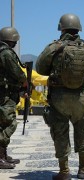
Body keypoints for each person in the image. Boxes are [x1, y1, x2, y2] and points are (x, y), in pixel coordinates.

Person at [36, 14, 84, 180]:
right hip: (81, 98)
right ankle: (83, 169)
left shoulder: (54, 47)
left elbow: (40, 68)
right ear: (78, 29)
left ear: (61, 28)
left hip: (59, 97)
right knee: (83, 132)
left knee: (60, 132)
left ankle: (64, 172)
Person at [0, 27, 27, 169]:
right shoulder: (6, 53)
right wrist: (25, 81)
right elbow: (16, 73)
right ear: (11, 40)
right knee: (9, 123)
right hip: (4, 96)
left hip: (5, 94)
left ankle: (3, 155)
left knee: (3, 124)